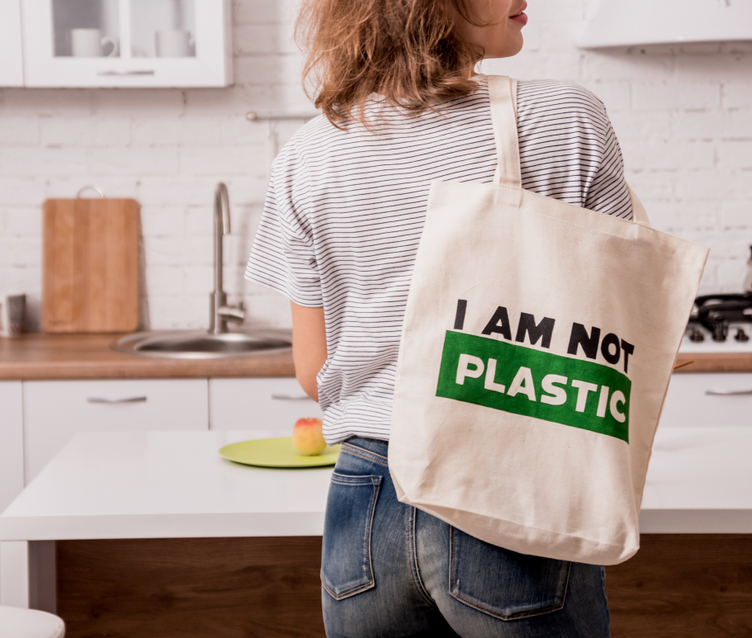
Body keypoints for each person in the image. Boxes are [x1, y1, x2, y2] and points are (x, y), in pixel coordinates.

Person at [245, 0, 633, 636]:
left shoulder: (308, 153)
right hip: (507, 484)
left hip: (363, 504)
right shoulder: (564, 118)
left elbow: (314, 373)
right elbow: (619, 318)